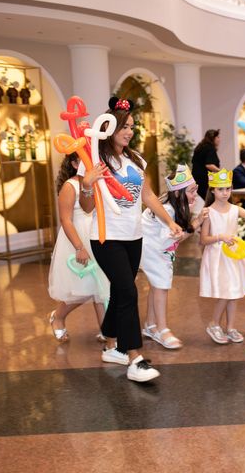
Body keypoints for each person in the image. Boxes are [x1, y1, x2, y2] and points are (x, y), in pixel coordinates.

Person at [78, 96, 183, 382]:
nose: (129, 132)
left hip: (133, 236)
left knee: (122, 291)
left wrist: (170, 220)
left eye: (132, 127)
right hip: (105, 236)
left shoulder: (135, 159)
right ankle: (134, 357)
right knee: (128, 291)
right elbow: (87, 207)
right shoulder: (94, 161)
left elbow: (147, 195)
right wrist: (87, 185)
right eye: (124, 127)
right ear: (108, 128)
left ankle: (111, 341)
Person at [140, 164, 208, 349]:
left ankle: (150, 325)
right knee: (161, 286)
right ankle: (162, 329)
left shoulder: (170, 205)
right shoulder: (168, 210)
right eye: (192, 191)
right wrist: (196, 223)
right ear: (178, 193)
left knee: (156, 286)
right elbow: (170, 240)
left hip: (154, 248)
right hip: (153, 249)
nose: (195, 195)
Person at [48, 152, 109, 342]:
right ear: (75, 164)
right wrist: (79, 247)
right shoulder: (70, 186)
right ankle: (58, 317)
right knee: (82, 289)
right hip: (78, 238)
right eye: (84, 160)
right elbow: (65, 220)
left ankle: (107, 331)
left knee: (101, 287)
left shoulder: (98, 182)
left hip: (99, 236)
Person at [199, 169, 245, 344]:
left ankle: (231, 327)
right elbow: (203, 239)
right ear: (212, 190)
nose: (225, 193)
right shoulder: (208, 212)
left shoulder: (235, 209)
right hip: (217, 257)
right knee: (226, 293)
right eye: (220, 189)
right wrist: (220, 237)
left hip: (232, 256)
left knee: (234, 292)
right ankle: (214, 323)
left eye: (228, 189)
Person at [192, 129, 221, 200]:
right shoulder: (210, 148)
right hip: (204, 180)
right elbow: (209, 165)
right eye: (217, 137)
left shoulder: (200, 147)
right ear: (212, 138)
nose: (219, 139)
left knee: (209, 200)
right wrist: (221, 171)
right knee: (212, 200)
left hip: (197, 179)